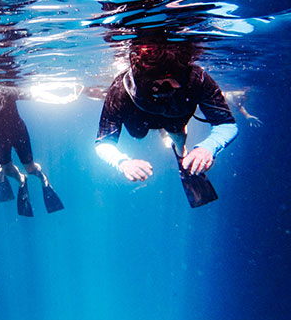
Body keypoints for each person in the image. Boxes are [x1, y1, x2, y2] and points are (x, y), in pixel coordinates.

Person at [94, 40, 238, 207]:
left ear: (183, 74)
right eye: (156, 83)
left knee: (176, 132)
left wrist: (208, 148)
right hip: (140, 116)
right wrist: (122, 162)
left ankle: (181, 152)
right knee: (138, 134)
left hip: (175, 115)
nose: (163, 89)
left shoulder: (198, 79)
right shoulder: (121, 90)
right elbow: (103, 143)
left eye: (171, 80)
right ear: (141, 80)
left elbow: (227, 124)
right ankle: (176, 142)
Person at [0, 82, 80, 216]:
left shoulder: (6, 91)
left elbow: (34, 94)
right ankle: (21, 178)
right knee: (7, 170)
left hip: (19, 135)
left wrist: (61, 100)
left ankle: (42, 178)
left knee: (30, 169)